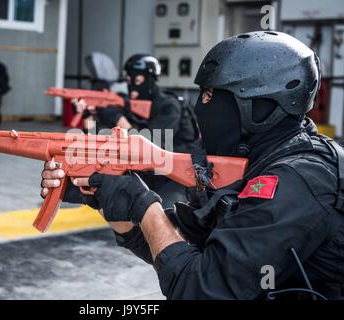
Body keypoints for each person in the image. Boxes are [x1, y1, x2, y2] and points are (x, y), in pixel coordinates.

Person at [41, 31, 344, 300]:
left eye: (211, 95)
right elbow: (178, 248)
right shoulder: (260, 161)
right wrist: (107, 198)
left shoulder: (297, 179)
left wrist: (143, 202)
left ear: (257, 106)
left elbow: (201, 290)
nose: (201, 105)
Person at [76, 54, 197, 208]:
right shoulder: (130, 105)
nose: (133, 87)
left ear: (151, 81)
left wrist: (118, 119)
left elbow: (147, 146)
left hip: (176, 175)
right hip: (148, 170)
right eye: (129, 81)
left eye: (138, 81)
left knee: (164, 214)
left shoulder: (169, 106)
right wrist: (90, 116)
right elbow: (96, 139)